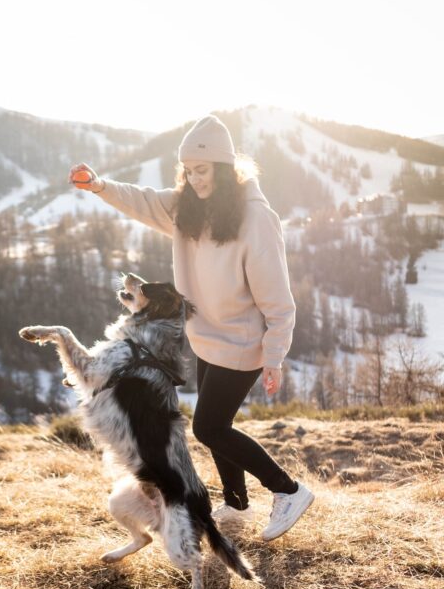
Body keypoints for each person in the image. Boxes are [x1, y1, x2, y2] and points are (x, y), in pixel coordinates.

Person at [68, 114, 314, 541]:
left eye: (202, 171)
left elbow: (278, 300)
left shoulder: (256, 220)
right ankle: (236, 505)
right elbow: (144, 200)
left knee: (209, 427)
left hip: (243, 341)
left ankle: (288, 491)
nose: (194, 178)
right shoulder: (188, 208)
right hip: (207, 340)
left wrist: (273, 354)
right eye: (188, 171)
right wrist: (101, 185)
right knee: (214, 423)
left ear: (224, 168)